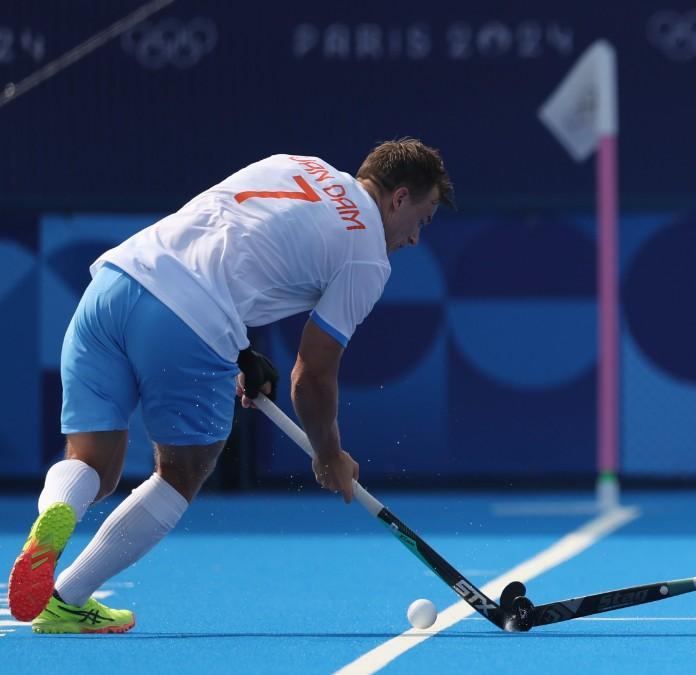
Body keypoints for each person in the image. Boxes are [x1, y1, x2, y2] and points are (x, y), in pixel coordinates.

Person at [7, 138, 453, 634]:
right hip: (190, 319)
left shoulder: (298, 163)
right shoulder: (367, 254)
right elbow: (313, 376)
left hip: (116, 282)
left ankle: (58, 514)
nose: (416, 238)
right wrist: (328, 453)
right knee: (181, 470)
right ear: (399, 198)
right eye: (423, 217)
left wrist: (242, 353)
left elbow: (227, 238)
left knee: (93, 463)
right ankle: (67, 599)